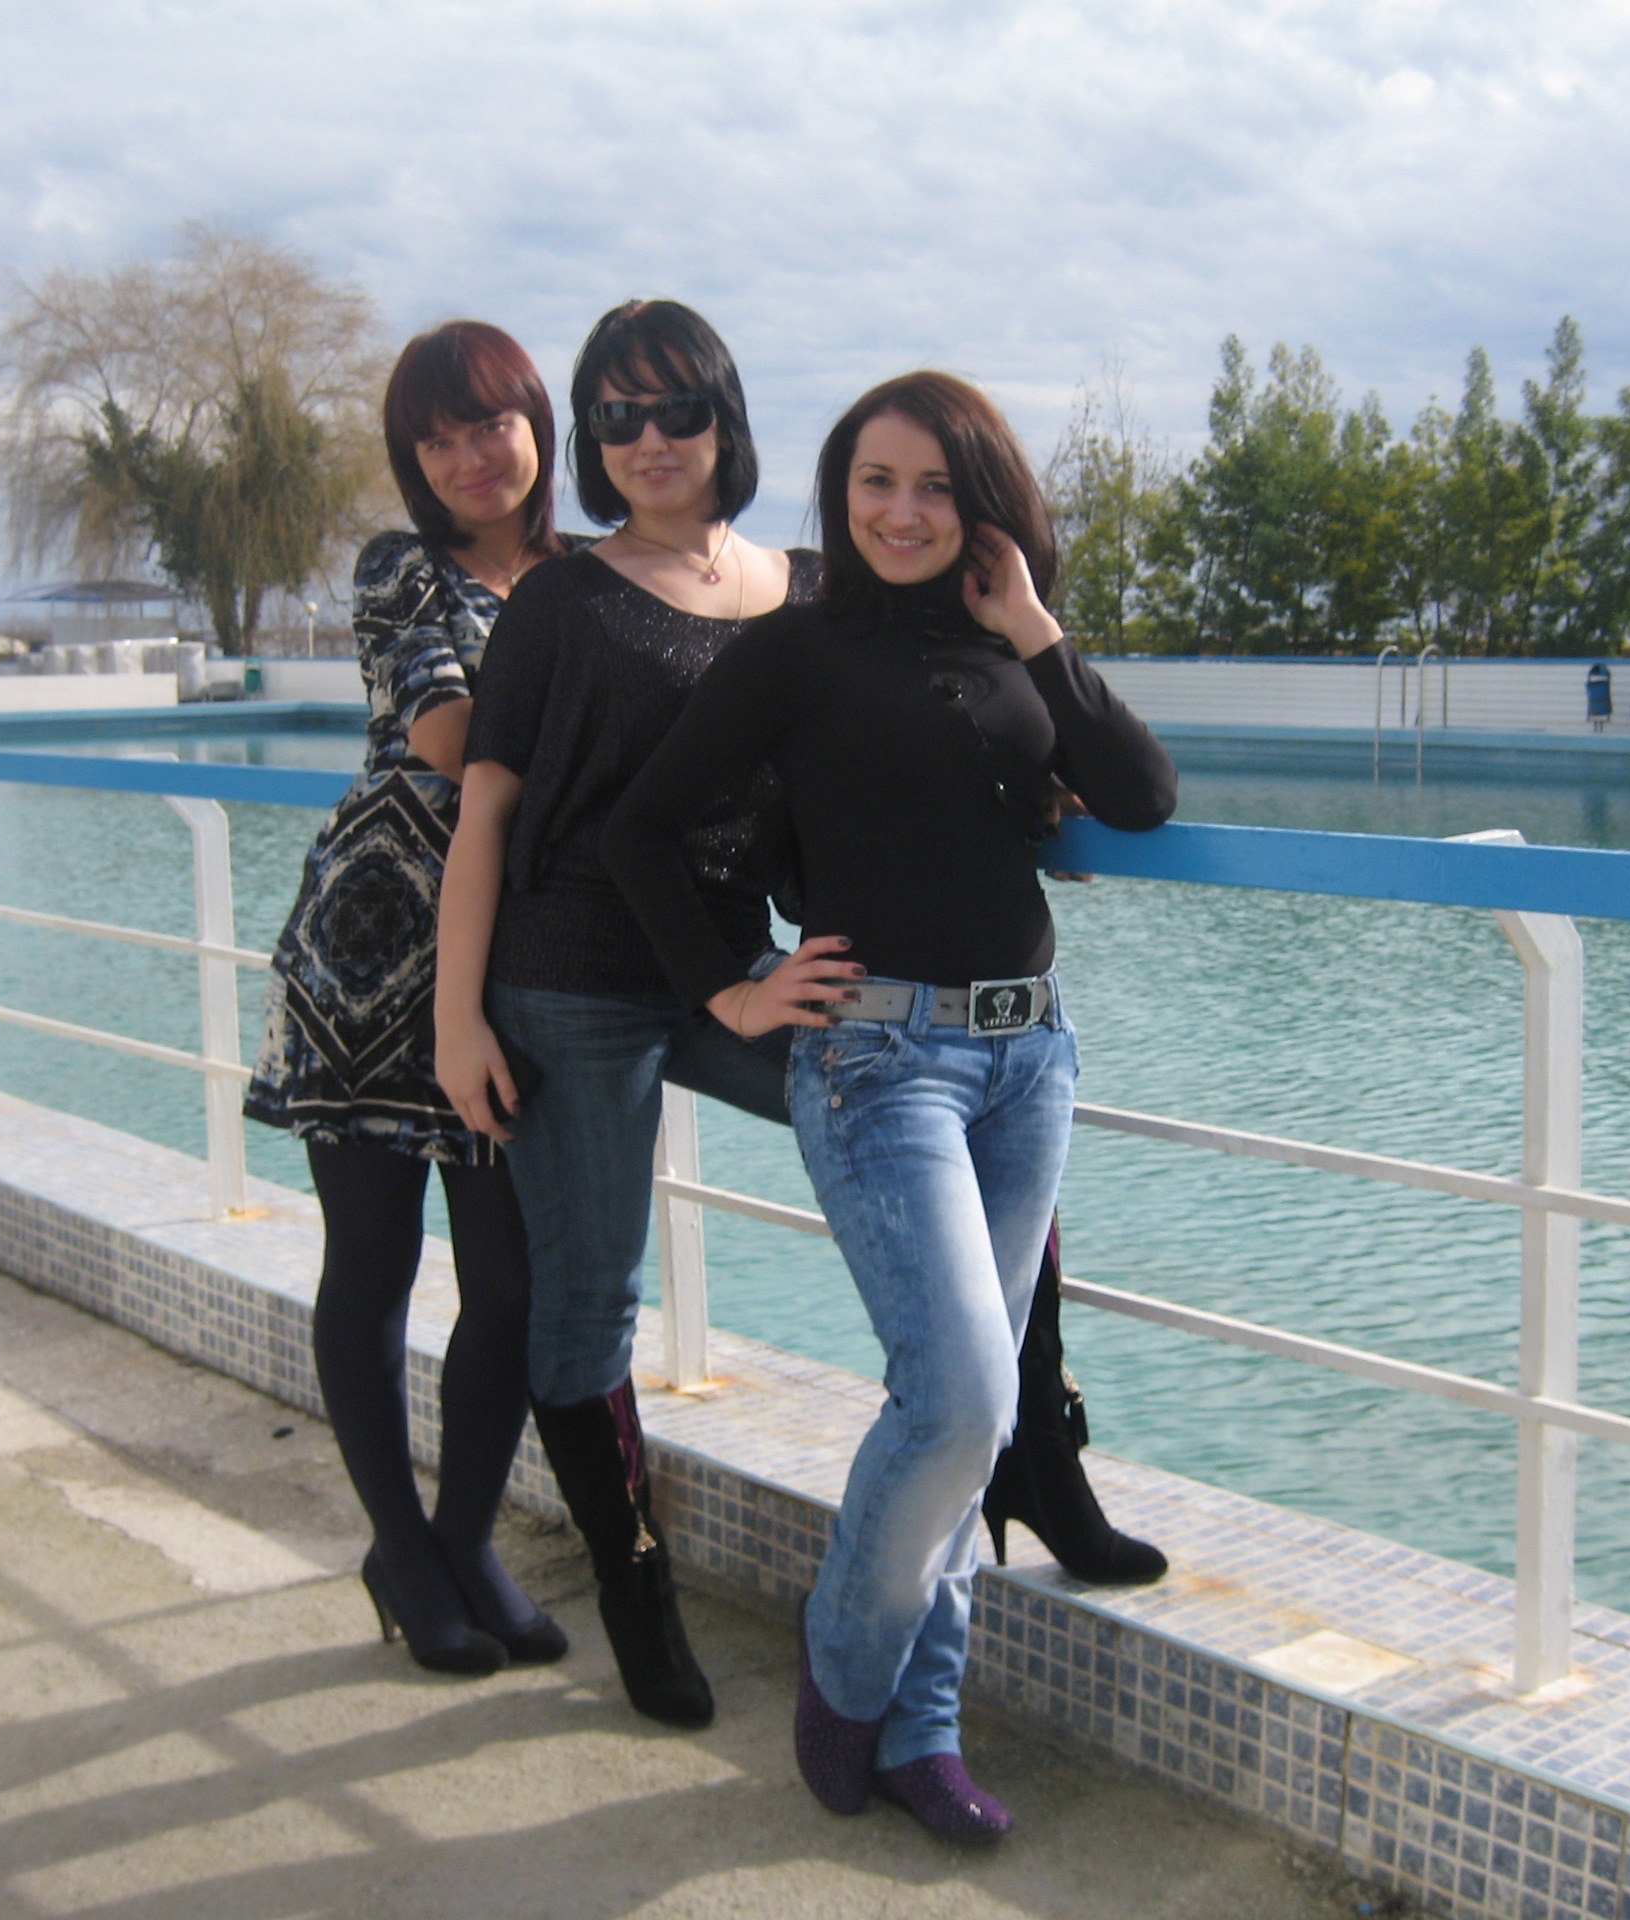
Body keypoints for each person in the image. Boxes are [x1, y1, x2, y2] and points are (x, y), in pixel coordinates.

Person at [602, 372, 1176, 1838]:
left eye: (934, 485)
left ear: (981, 502)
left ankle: (923, 1735)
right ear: (839, 493)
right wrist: (731, 991)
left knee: (961, 1418)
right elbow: (641, 828)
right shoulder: (795, 649)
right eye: (875, 482)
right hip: (879, 1062)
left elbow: (1142, 796)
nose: (903, 512)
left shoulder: (1006, 643)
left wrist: (1034, 628)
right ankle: (849, 1675)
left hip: (1030, 1059)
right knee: (964, 1398)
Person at [436, 298, 816, 1730]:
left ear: (726, 416)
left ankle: (1036, 1446)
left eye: (677, 409)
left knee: (929, 1105)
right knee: (591, 1300)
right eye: (616, 416)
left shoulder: (806, 592)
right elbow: (486, 815)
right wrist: (456, 1021)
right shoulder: (562, 604)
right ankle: (639, 1595)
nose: (649, 439)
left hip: (738, 971)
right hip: (571, 981)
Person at [244, 320, 572, 1677]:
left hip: (519, 966)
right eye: (434, 440)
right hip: (372, 956)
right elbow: (446, 733)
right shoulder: (400, 567)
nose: (467, 457)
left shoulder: (593, 575)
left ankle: (462, 1536)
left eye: (488, 423)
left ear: (537, 421)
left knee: (510, 1283)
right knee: (371, 1264)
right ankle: (402, 1545)